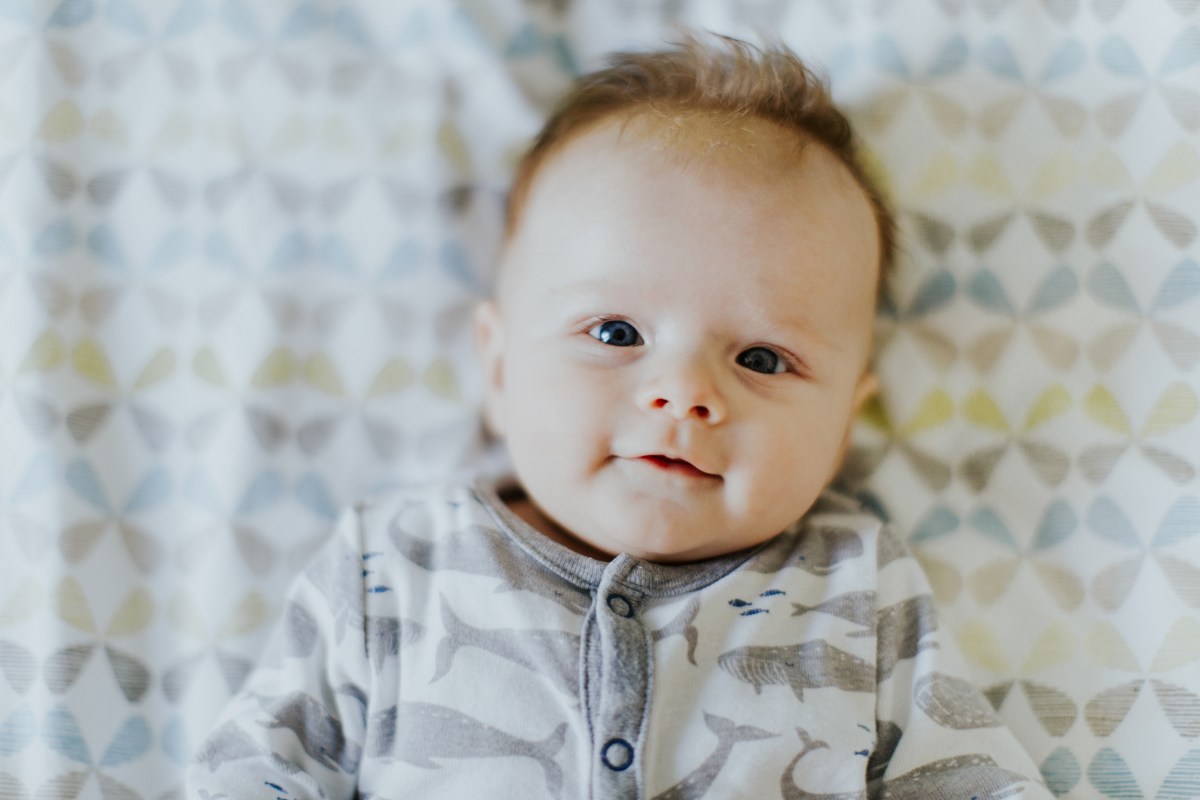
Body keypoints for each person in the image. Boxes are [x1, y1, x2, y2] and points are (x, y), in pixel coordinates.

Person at [187, 35, 1052, 799]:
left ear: (843, 426)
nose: (684, 394)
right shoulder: (395, 564)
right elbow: (256, 766)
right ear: (499, 368)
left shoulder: (857, 585)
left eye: (762, 359)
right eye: (616, 334)